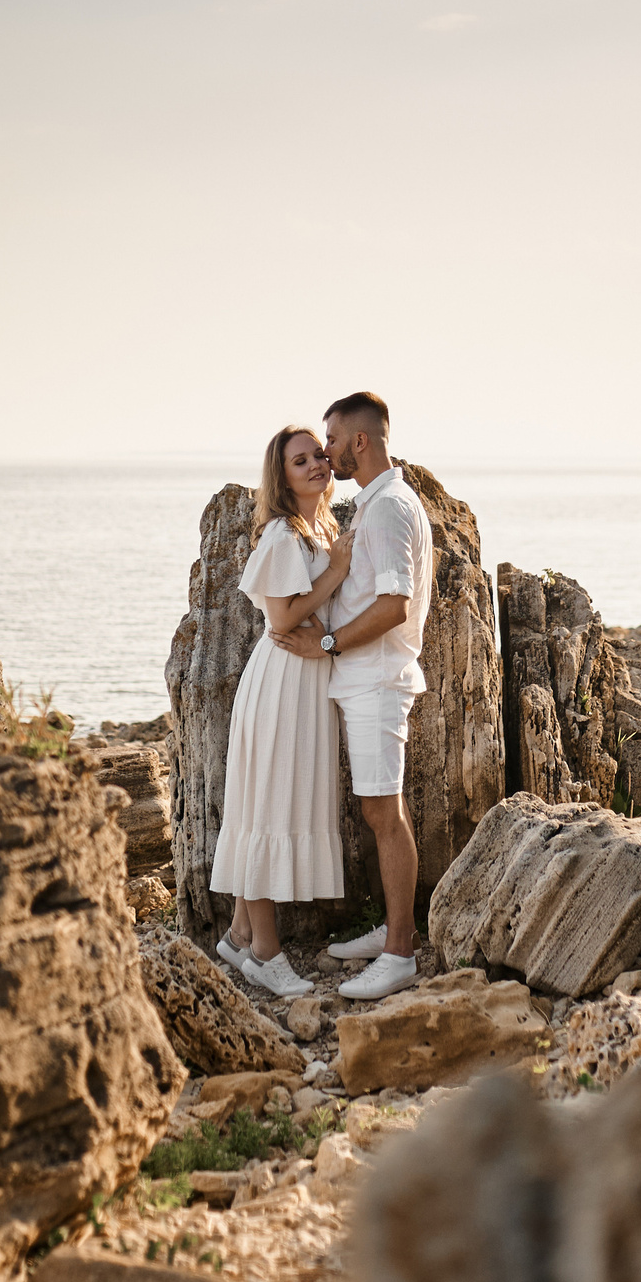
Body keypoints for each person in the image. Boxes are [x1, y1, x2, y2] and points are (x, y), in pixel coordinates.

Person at [270, 390, 433, 1000]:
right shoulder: (377, 503)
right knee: (380, 810)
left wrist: (329, 643)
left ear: (359, 441)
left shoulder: (389, 508)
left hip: (377, 680)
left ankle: (399, 955)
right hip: (366, 681)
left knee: (383, 817)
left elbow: (393, 606)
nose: (327, 451)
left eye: (333, 440)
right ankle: (394, 929)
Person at [209, 423, 355, 998]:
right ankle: (266, 952)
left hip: (307, 680)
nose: (317, 465)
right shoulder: (283, 535)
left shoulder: (322, 527)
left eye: (319, 455)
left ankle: (242, 933)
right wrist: (337, 575)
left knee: (268, 802)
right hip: (282, 681)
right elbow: (279, 619)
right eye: (301, 461)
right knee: (267, 807)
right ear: (282, 475)